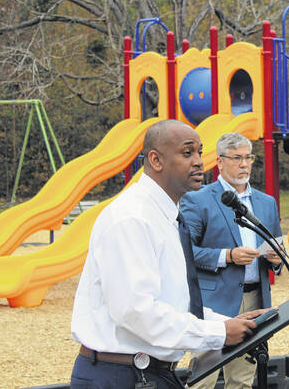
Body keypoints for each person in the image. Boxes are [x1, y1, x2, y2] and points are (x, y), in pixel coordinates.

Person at [70, 120, 266, 389]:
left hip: (151, 373)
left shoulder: (169, 217)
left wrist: (227, 322)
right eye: (187, 153)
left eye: (199, 151)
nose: (199, 161)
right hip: (122, 375)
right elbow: (137, 311)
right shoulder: (132, 218)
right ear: (156, 160)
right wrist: (217, 333)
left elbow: (175, 302)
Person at [179, 132, 283, 389]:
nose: (244, 164)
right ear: (220, 162)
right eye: (237, 158)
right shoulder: (198, 199)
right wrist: (227, 256)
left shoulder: (266, 202)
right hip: (214, 303)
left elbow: (277, 250)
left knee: (243, 379)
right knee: (204, 378)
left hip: (255, 298)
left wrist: (276, 259)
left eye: (248, 157)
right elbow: (184, 251)